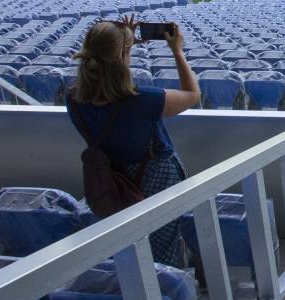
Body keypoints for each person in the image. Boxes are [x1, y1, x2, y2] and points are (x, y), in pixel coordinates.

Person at [65, 16, 200, 266]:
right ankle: (165, 296)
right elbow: (192, 94)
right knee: (162, 246)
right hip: (154, 182)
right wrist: (177, 51)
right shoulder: (142, 100)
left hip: (111, 182)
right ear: (123, 55)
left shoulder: (73, 99)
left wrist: (124, 41)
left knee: (125, 245)